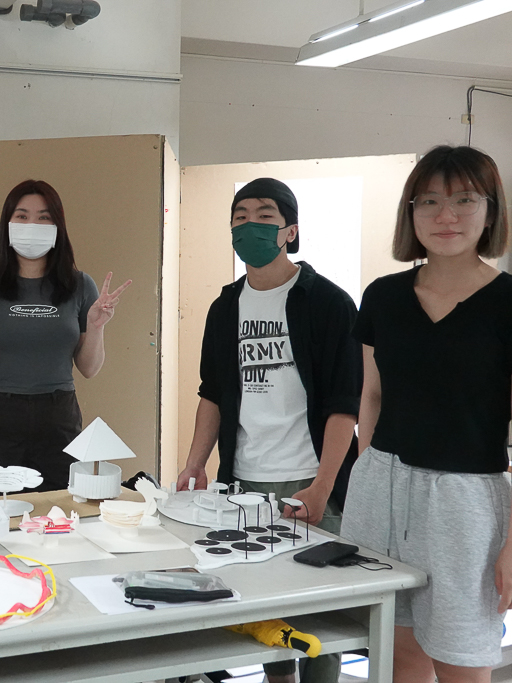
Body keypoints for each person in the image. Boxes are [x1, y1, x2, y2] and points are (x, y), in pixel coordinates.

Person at [175, 177, 361, 683]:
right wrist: (195, 462)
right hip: (245, 482)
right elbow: (213, 393)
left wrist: (323, 485)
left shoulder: (328, 303)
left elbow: (344, 406)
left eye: (264, 216)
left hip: (308, 479)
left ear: (290, 231)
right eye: (240, 217)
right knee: (265, 608)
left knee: (320, 614)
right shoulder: (224, 307)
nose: (250, 225)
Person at [342, 146, 511, 682]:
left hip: (466, 499)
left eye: (464, 200)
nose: (446, 216)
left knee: (463, 659)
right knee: (395, 653)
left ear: (490, 210)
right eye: (430, 201)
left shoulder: (508, 301)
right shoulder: (383, 296)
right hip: (381, 486)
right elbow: (372, 394)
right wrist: (368, 467)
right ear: (411, 213)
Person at [0, 179, 130, 493]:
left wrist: (97, 326)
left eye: (43, 217)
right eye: (22, 216)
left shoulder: (80, 285)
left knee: (59, 511)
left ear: (57, 226)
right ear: (7, 224)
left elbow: (89, 369)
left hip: (58, 418)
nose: (31, 225)